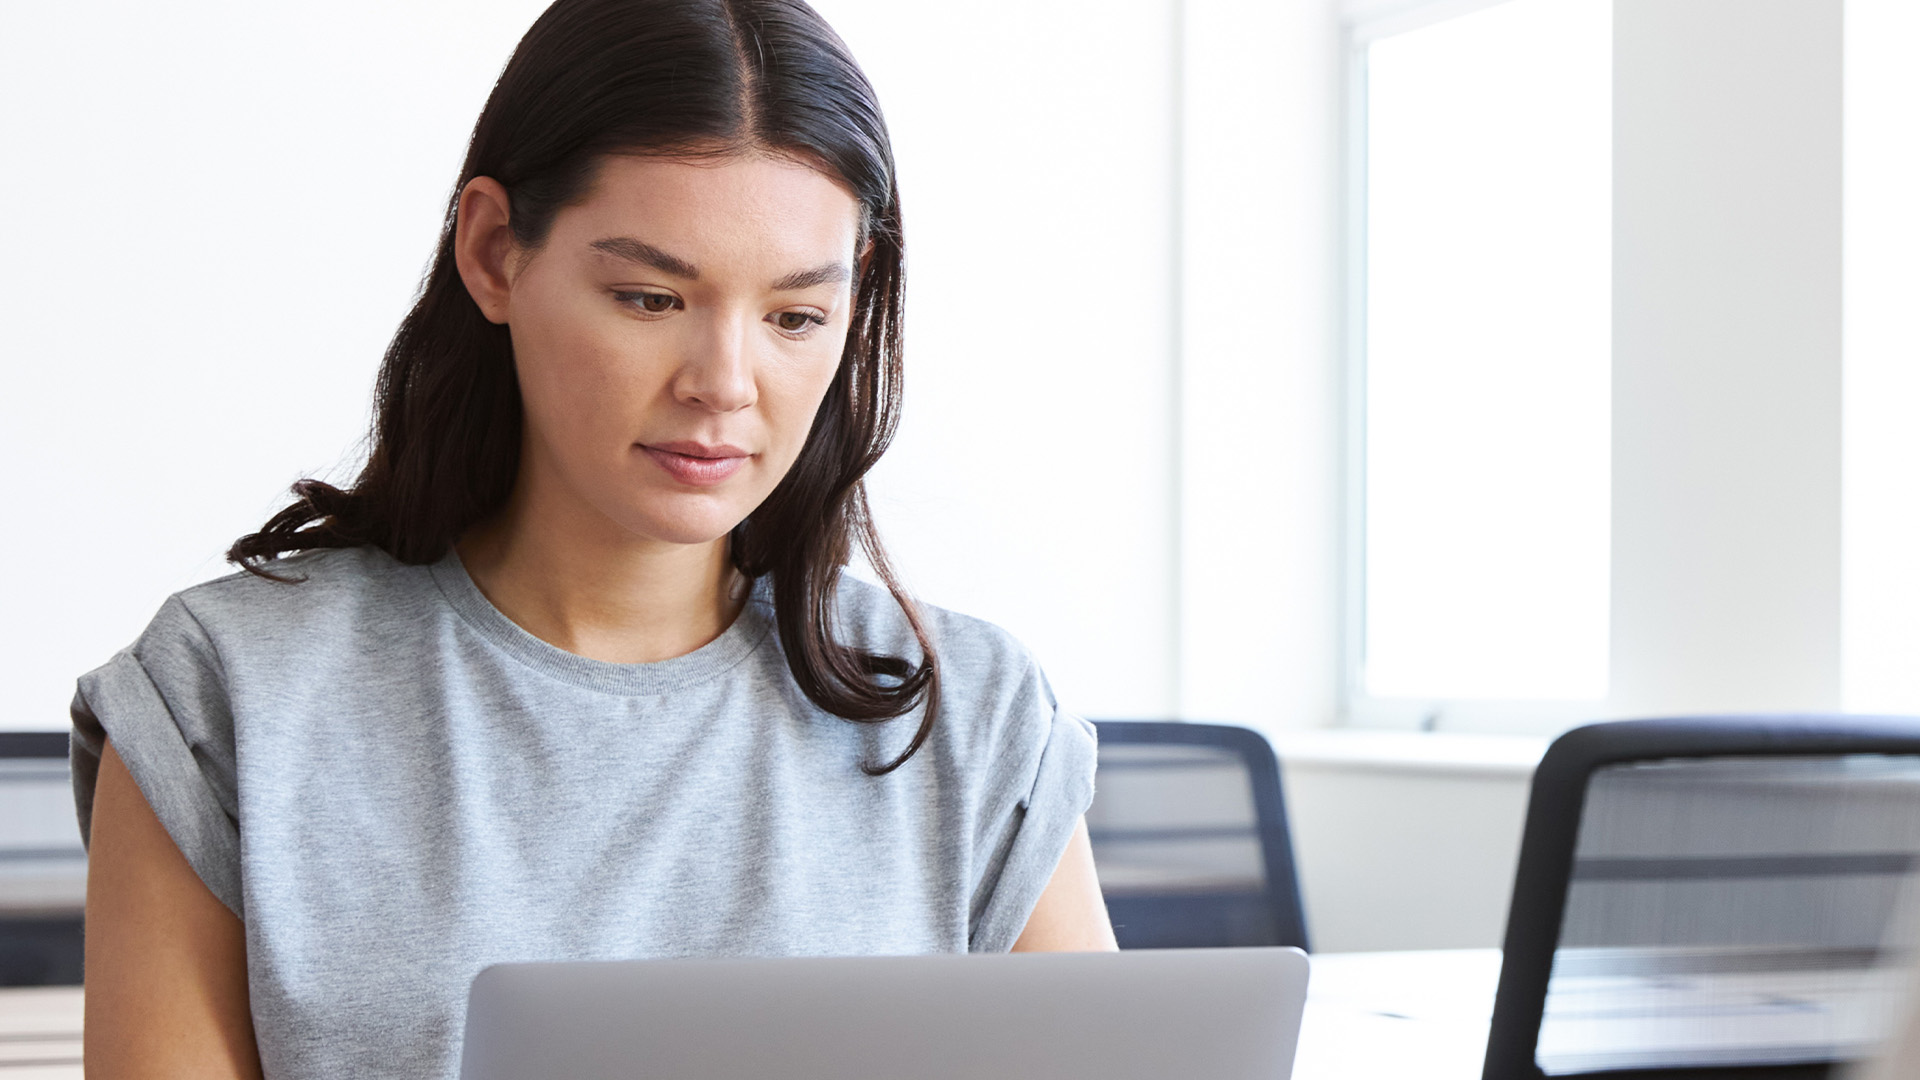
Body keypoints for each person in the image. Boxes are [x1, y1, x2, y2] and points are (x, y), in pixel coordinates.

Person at [68, 1, 1116, 1076]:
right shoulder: (226, 699)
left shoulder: (974, 717)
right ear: (492, 252)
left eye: (795, 318)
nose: (724, 383)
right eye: (650, 297)